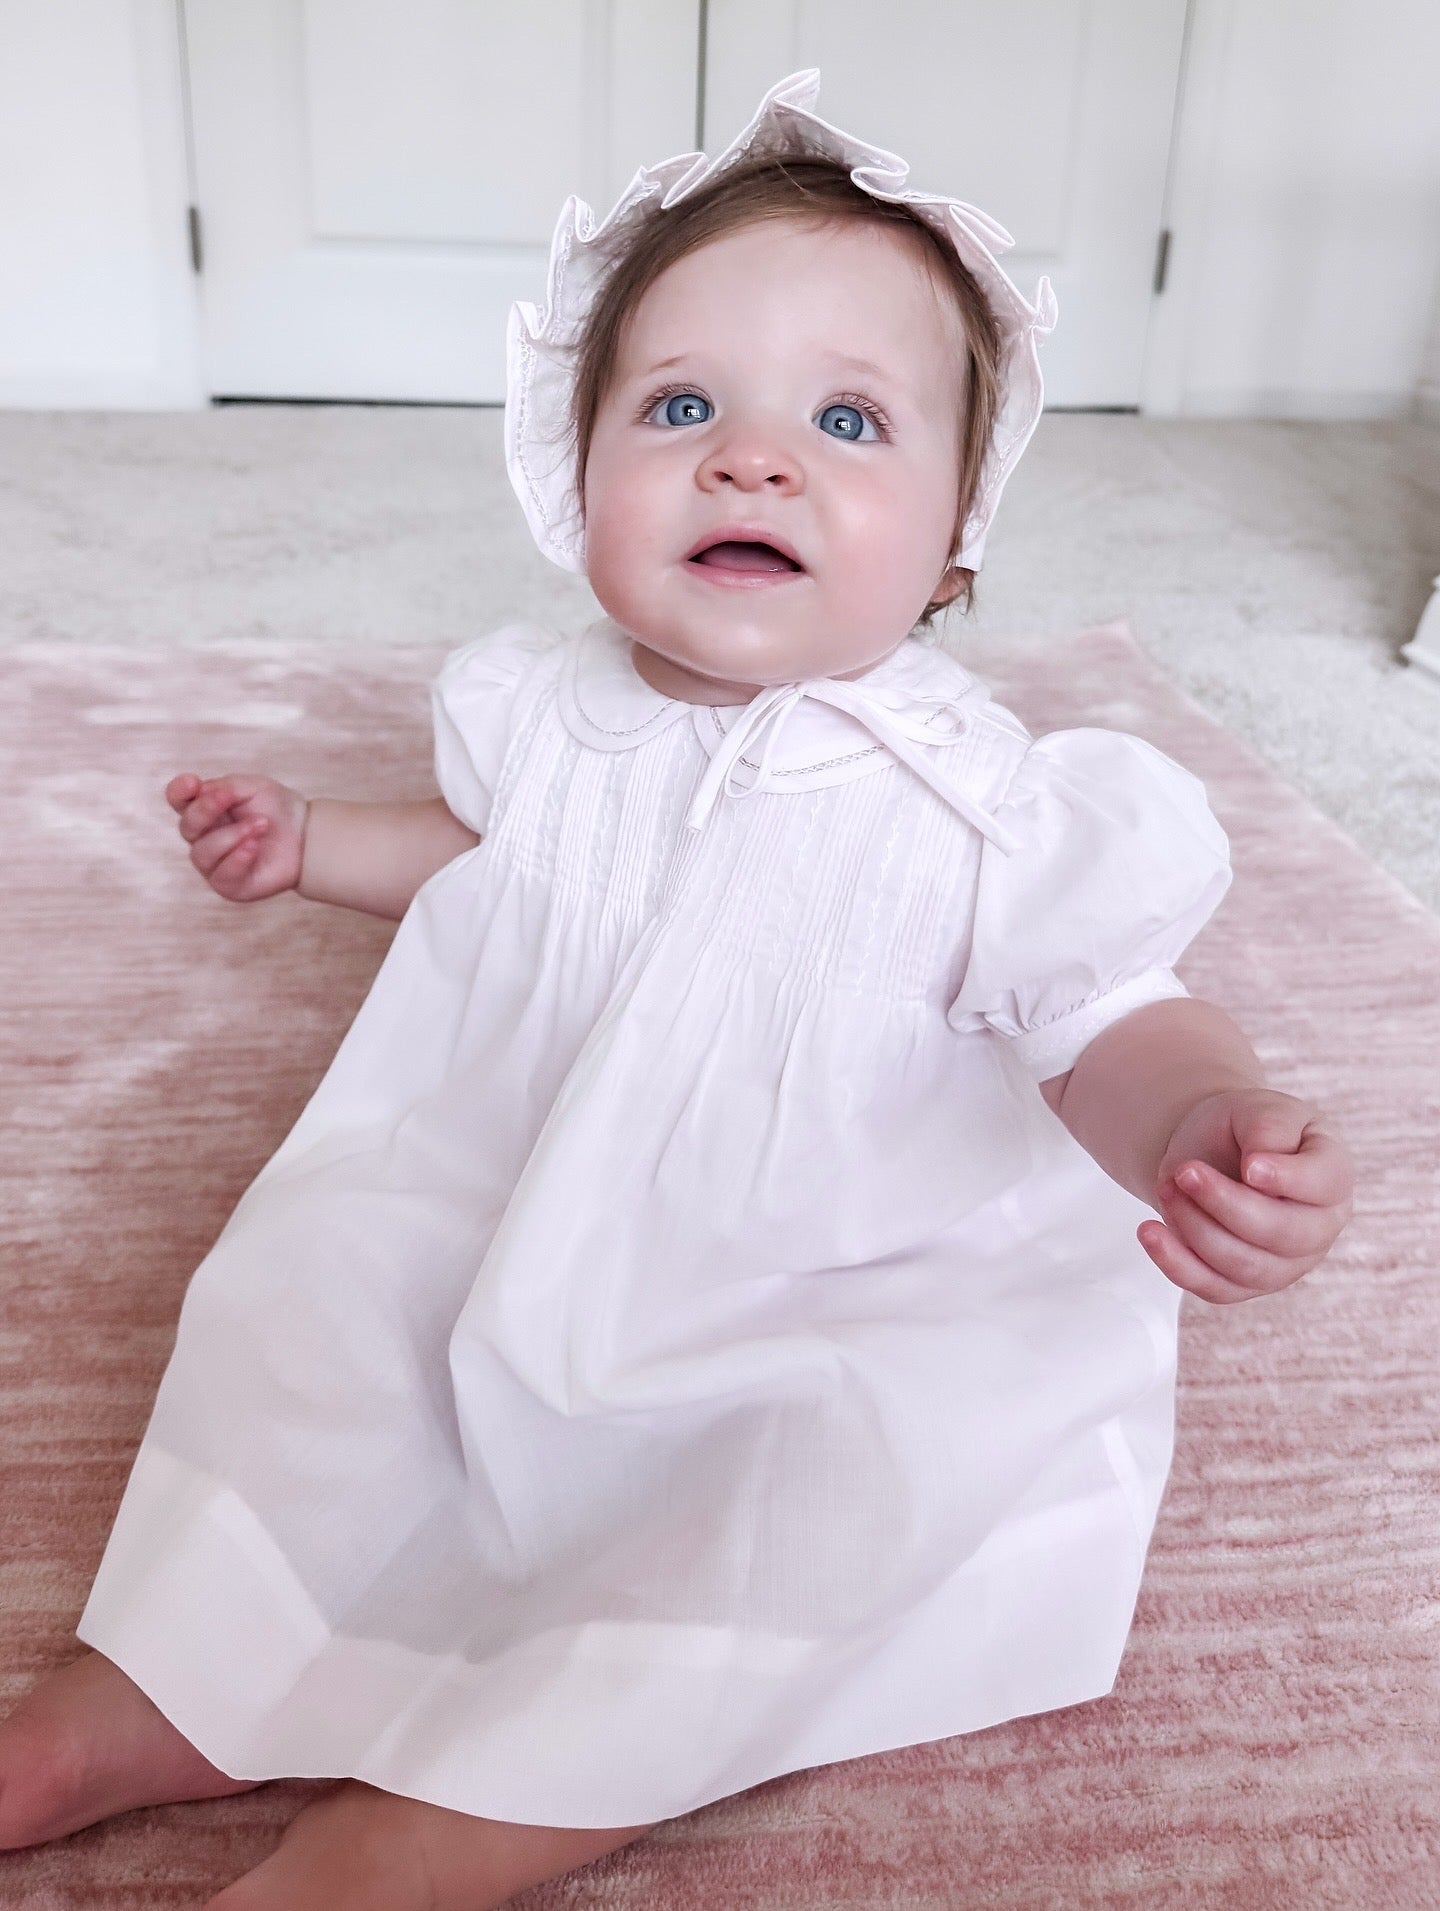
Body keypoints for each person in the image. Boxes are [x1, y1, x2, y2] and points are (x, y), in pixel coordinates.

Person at [0, 71, 1354, 1910]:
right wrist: (315, 843)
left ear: (957, 538)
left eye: (848, 421)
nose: (752, 460)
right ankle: (138, 1706)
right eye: (682, 406)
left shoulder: (989, 810)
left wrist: (1202, 1118)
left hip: (808, 1292)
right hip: (495, 1212)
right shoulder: (543, 707)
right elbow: (496, 861)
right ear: (576, 475)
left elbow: (1104, 1013)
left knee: (784, 1529)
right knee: (325, 1359)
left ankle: (431, 1834)